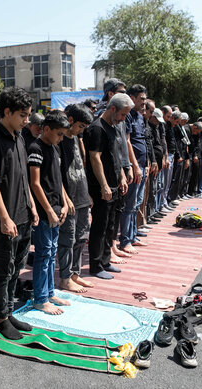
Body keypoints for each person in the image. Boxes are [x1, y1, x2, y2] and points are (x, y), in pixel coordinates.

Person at [0, 86, 38, 340]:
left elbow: (24, 177)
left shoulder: (20, 137)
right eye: (23, 115)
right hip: (6, 219)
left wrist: (32, 205)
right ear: (7, 112)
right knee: (4, 270)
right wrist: (4, 218)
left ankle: (9, 310)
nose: (27, 120)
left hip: (23, 215)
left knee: (18, 267)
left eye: (28, 115)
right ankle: (1, 317)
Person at [84, 93, 132, 280]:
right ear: (113, 109)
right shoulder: (96, 128)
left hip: (114, 183)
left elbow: (116, 156)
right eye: (122, 114)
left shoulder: (114, 126)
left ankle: (105, 260)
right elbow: (95, 158)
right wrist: (103, 185)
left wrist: (120, 177)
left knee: (110, 225)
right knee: (99, 226)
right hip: (100, 186)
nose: (123, 119)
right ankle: (95, 266)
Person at [28, 111, 71, 315]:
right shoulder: (36, 148)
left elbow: (58, 180)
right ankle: (40, 298)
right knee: (43, 255)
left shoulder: (55, 148)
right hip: (45, 212)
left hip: (56, 208)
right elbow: (35, 183)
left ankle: (50, 292)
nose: (61, 138)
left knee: (51, 254)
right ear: (46, 129)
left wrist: (64, 202)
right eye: (59, 134)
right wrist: (48, 210)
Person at [58, 104, 94, 292]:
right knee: (68, 239)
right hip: (69, 198)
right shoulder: (59, 140)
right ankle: (64, 277)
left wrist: (87, 194)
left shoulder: (75, 139)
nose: (81, 130)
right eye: (80, 126)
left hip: (81, 195)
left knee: (81, 238)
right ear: (70, 120)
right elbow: (57, 174)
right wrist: (65, 199)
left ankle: (74, 274)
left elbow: (80, 168)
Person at [118, 85, 147, 254]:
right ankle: (125, 240)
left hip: (143, 165)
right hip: (134, 167)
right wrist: (134, 166)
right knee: (129, 205)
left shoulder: (140, 117)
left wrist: (147, 163)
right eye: (141, 99)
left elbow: (143, 139)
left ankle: (133, 236)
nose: (144, 102)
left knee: (136, 204)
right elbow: (127, 142)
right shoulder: (127, 116)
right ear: (133, 98)